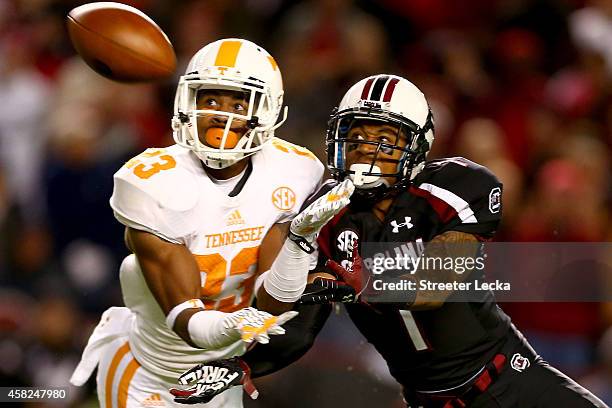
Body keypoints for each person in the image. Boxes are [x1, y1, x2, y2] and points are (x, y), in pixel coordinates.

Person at [174, 74, 608, 408]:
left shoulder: (456, 185)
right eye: (358, 136)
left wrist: (355, 280)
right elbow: (301, 327)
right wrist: (245, 363)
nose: (368, 149)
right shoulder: (325, 213)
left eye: (386, 138)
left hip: (509, 379)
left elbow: (437, 281)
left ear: (417, 146)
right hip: (426, 398)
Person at [68, 38, 353, 408]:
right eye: (211, 100)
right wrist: (233, 325)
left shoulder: (294, 171)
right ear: (188, 102)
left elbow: (273, 297)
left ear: (268, 110)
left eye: (239, 102)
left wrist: (299, 241)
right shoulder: (151, 182)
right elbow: (186, 319)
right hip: (150, 372)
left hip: (223, 373)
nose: (223, 114)